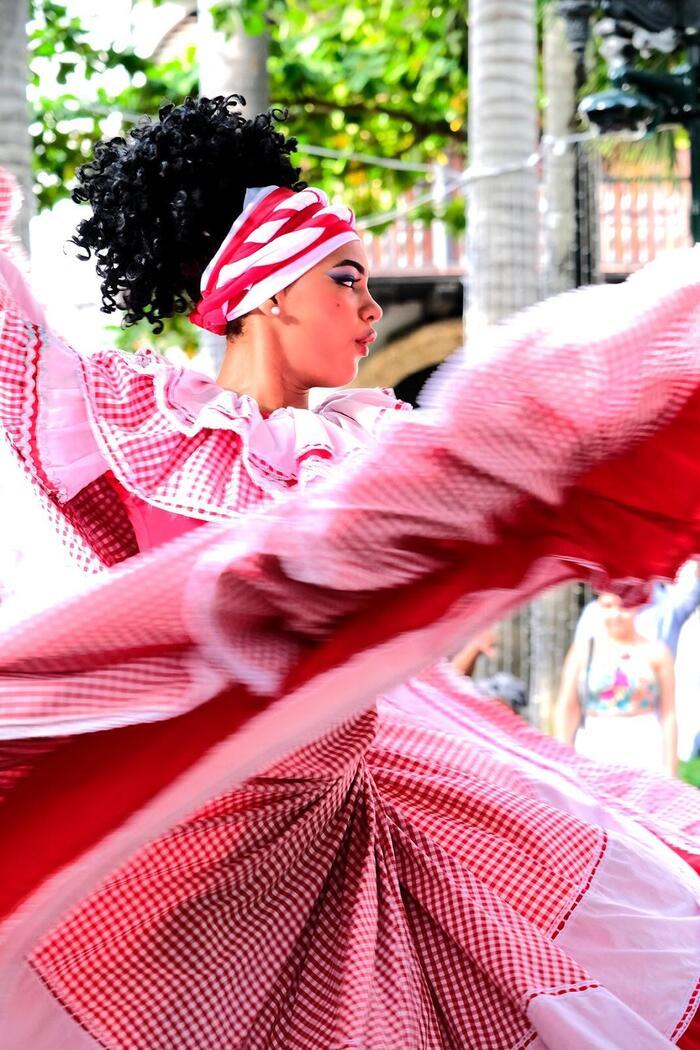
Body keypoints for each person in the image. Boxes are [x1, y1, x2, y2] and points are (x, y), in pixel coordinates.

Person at [0, 97, 699, 1049]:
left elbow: (510, 442)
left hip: (337, 824)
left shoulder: (373, 442)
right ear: (269, 292)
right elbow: (20, 350)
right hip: (175, 829)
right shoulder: (137, 420)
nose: (371, 308)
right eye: (345, 279)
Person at [555, 592, 677, 775]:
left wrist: (670, 768)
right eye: (608, 606)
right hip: (594, 743)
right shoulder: (582, 650)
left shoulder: (656, 652)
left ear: (637, 607)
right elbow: (567, 707)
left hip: (644, 744)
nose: (615, 615)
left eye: (623, 607)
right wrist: (562, 760)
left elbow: (669, 714)